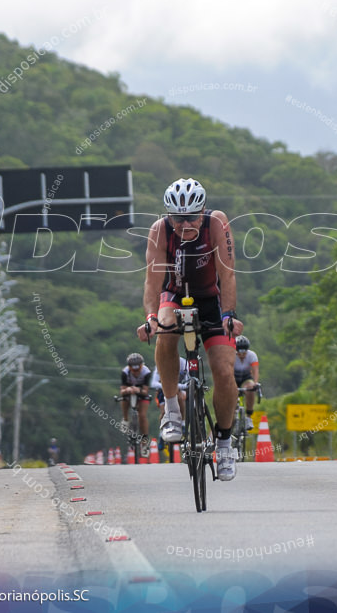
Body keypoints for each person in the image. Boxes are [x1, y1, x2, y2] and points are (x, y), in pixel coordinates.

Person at [136, 178, 243, 481]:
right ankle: (171, 410)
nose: (184, 224)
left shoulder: (216, 223)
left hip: (212, 298)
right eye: (177, 218)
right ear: (168, 215)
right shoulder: (159, 230)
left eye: (192, 217)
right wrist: (151, 317)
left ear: (203, 210)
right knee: (165, 330)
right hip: (173, 294)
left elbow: (228, 273)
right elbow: (152, 281)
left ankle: (223, 444)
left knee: (224, 371)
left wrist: (229, 315)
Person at [119, 352, 152, 457]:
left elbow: (146, 391)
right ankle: (125, 419)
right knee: (123, 399)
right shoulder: (124, 372)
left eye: (138, 369)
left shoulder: (146, 372)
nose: (136, 372)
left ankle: (145, 442)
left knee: (142, 415)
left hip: (141, 392)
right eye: (133, 370)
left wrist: (139, 390)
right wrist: (127, 390)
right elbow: (122, 390)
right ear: (129, 367)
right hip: (129, 392)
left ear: (142, 366)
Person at [234, 336, 260, 430]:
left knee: (250, 388)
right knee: (232, 392)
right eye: (239, 353)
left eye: (244, 353)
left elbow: (255, 371)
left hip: (246, 377)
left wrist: (255, 383)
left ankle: (248, 417)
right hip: (233, 377)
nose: (242, 355)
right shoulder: (231, 355)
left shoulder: (252, 355)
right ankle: (233, 417)